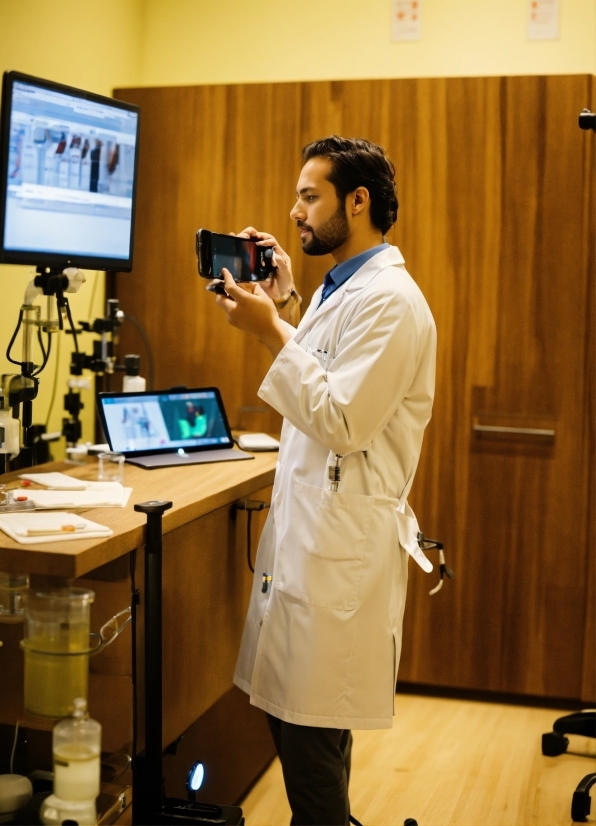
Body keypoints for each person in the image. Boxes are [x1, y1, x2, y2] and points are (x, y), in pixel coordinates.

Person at [211, 136, 436, 826]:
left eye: (310, 196)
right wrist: (287, 301)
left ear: (357, 201)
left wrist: (273, 331)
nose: (295, 211)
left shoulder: (393, 301)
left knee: (310, 758)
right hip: (313, 547)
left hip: (339, 555)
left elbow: (341, 416)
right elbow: (331, 368)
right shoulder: (345, 290)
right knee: (300, 731)